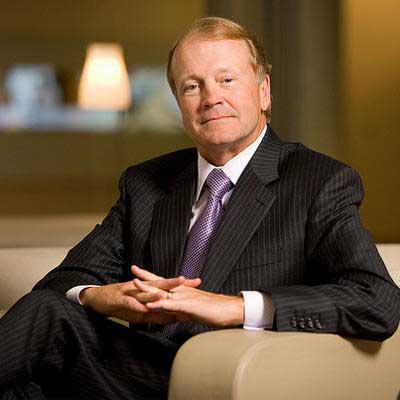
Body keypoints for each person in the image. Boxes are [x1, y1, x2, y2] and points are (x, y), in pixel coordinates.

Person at [1, 16, 399, 400]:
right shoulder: (145, 183)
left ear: (263, 91)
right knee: (33, 356)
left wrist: (236, 307)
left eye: (227, 80)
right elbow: (61, 283)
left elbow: (377, 300)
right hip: (135, 370)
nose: (211, 99)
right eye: (192, 86)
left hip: (227, 375)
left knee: (40, 338)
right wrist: (98, 297)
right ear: (179, 103)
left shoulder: (318, 181)